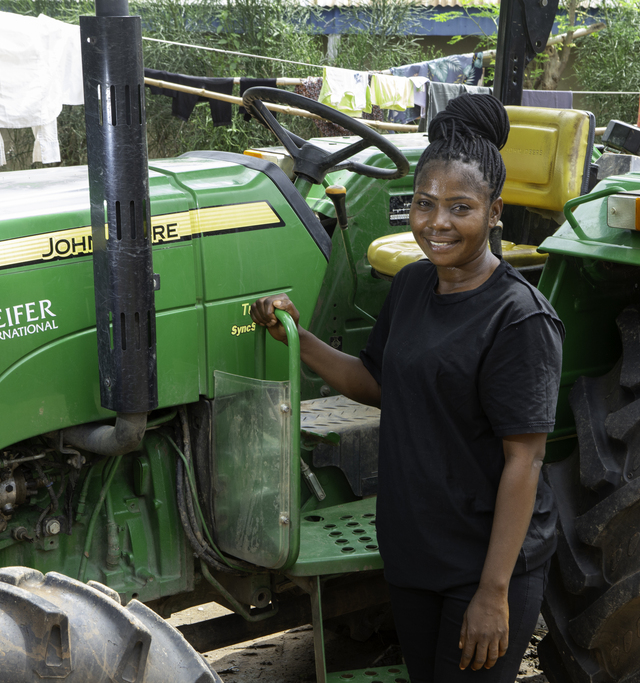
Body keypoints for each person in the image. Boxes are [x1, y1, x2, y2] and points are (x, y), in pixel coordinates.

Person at [251, 94, 564, 682]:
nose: (437, 222)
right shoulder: (416, 284)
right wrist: (295, 335)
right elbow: (376, 381)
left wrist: (494, 593)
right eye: (424, 204)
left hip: (482, 566)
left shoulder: (519, 318)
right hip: (416, 552)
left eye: (460, 207)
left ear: (495, 212)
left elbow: (524, 460)